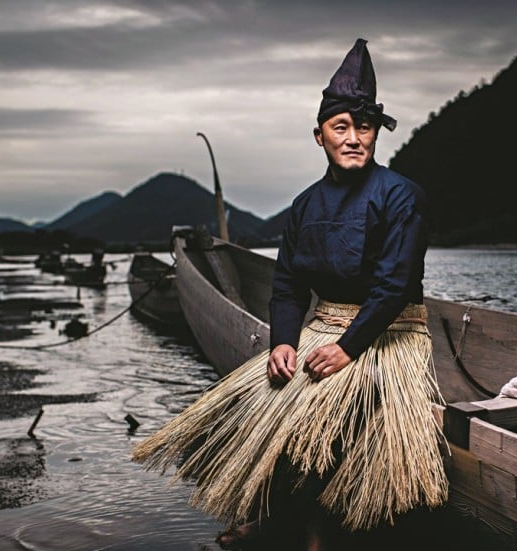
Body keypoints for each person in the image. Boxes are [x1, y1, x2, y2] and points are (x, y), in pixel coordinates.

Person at [132, 38, 447, 551]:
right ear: (319, 136)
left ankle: (321, 531)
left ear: (375, 134)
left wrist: (347, 348)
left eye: (362, 127)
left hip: (388, 334)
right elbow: (287, 286)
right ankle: (270, 510)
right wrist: (282, 342)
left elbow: (393, 287)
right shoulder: (304, 207)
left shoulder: (402, 196)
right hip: (321, 326)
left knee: (329, 410)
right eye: (340, 127)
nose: (353, 138)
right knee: (267, 397)